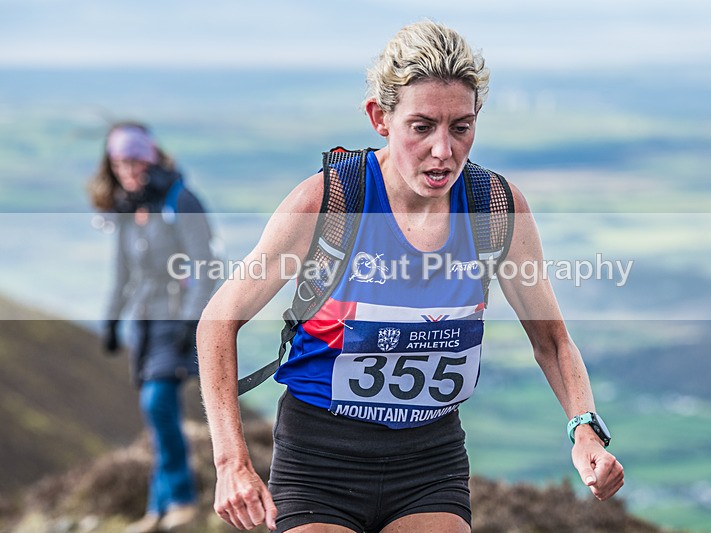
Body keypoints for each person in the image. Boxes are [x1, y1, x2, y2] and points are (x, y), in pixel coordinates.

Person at [198, 20, 624, 533]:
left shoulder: (494, 209)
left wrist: (584, 430)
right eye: (421, 127)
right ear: (380, 117)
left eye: (461, 127)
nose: (443, 150)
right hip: (319, 463)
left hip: (429, 462)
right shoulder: (328, 203)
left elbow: (553, 341)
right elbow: (218, 320)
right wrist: (231, 464)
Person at [89, 122, 217, 533]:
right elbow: (123, 273)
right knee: (155, 414)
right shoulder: (128, 208)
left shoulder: (180, 199)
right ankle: (157, 507)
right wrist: (112, 319)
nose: (126, 169)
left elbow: (206, 267)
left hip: (176, 320)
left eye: (132, 160)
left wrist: (191, 324)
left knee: (158, 403)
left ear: (148, 158)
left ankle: (180, 499)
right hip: (144, 326)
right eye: (118, 162)